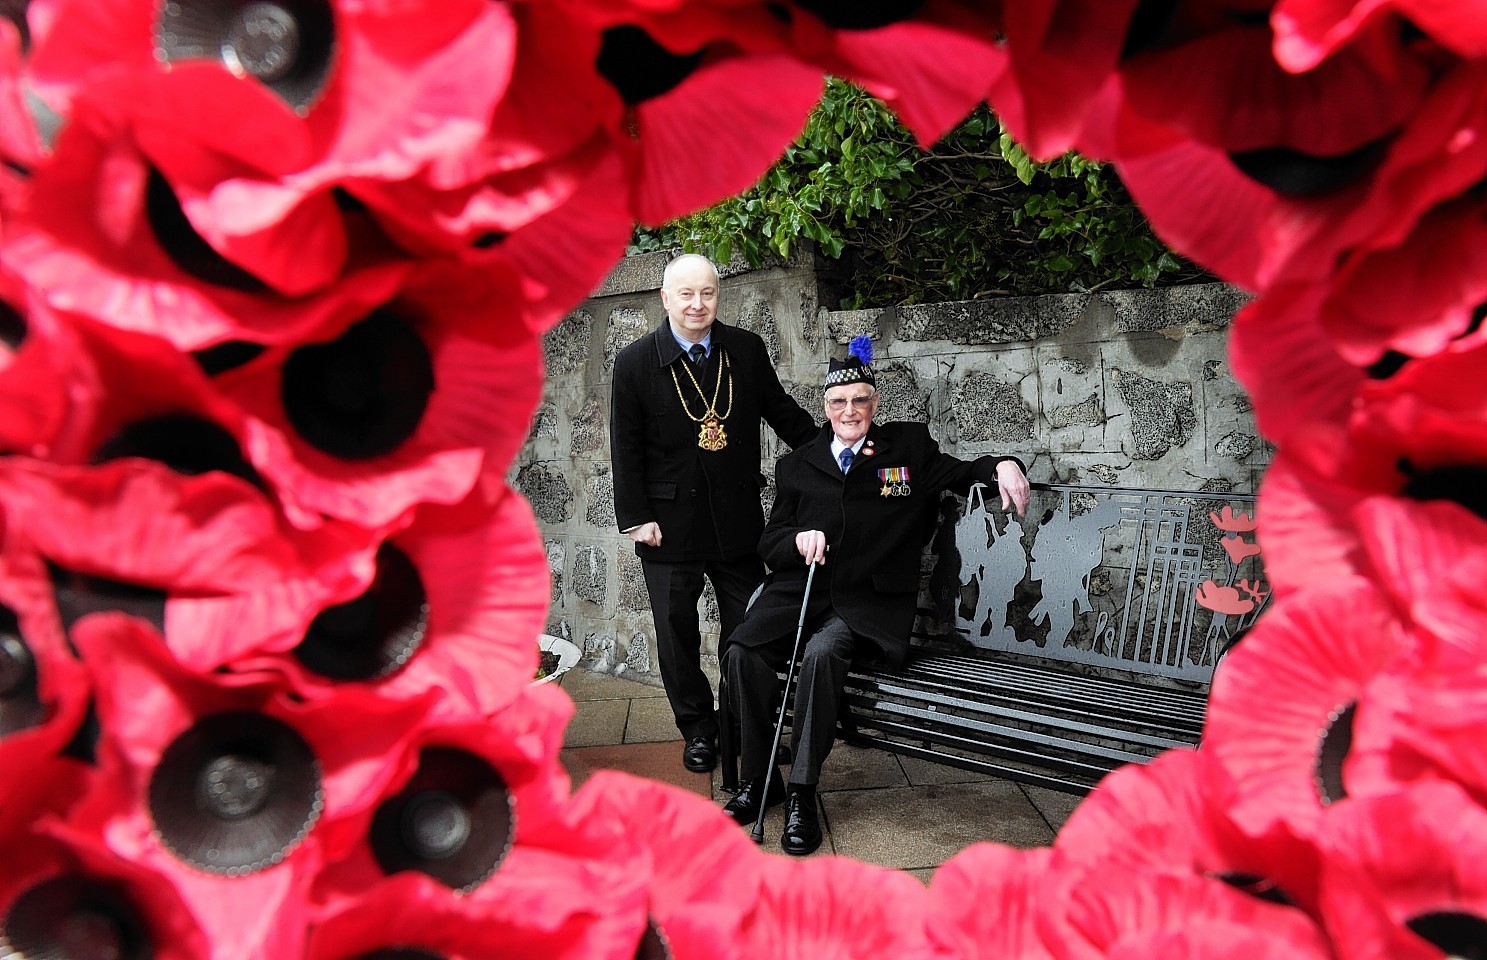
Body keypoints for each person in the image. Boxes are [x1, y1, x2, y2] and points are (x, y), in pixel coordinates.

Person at [720, 337, 1031, 854]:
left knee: (822, 655)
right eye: (838, 402)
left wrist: (1003, 464)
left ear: (874, 404)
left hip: (867, 604)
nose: (849, 411)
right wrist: (797, 540)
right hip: (802, 594)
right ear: (825, 407)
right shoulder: (798, 464)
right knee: (741, 652)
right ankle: (760, 779)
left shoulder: (906, 450)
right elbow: (769, 542)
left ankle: (801, 791)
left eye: (859, 400)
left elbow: (962, 472)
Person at [610, 253, 817, 774]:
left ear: (717, 296)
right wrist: (635, 517)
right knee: (676, 635)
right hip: (666, 526)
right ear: (665, 298)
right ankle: (699, 729)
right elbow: (625, 448)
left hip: (737, 521)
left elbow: (782, 411)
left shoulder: (745, 349)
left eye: (707, 293)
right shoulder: (634, 363)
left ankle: (743, 727)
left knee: (747, 629)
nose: (698, 304)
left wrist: (832, 451)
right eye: (686, 294)